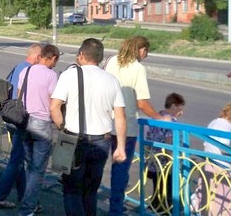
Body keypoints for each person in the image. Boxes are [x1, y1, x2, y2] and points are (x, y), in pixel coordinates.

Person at [51, 38, 127, 216]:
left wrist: (62, 128)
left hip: (73, 139)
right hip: (102, 141)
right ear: (100, 58)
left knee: (72, 190)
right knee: (90, 190)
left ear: (81, 55)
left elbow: (54, 107)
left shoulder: (69, 75)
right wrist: (121, 147)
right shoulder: (112, 80)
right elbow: (120, 117)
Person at [104, 35, 169, 216]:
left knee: (99, 165)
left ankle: (93, 204)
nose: (146, 55)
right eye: (146, 51)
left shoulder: (112, 61)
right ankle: (115, 210)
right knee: (120, 169)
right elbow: (142, 103)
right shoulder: (138, 68)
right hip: (127, 126)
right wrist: (159, 118)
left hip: (106, 122)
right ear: (141, 50)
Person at [0, 43, 42, 210]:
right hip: (22, 121)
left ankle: (24, 197)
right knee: (17, 161)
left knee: (19, 161)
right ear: (37, 57)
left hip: (11, 117)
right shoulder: (31, 71)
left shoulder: (18, 67)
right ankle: (0, 196)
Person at [17, 44, 60, 216]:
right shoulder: (51, 75)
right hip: (41, 124)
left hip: (24, 122)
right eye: (56, 61)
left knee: (30, 166)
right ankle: (28, 208)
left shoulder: (26, 71)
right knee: (38, 169)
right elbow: (53, 103)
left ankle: (32, 201)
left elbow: (19, 96)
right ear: (53, 58)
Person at [195, 102, 231, 216]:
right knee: (226, 202)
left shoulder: (214, 122)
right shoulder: (226, 126)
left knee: (210, 200)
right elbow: (223, 147)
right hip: (221, 168)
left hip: (209, 164)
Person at [145, 92, 185, 213]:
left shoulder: (157, 116)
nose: (181, 112)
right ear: (173, 106)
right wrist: (172, 161)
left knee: (157, 187)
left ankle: (154, 206)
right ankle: (165, 210)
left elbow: (147, 137)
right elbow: (169, 142)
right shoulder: (171, 121)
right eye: (180, 108)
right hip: (164, 162)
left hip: (154, 160)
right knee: (167, 188)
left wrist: (147, 156)